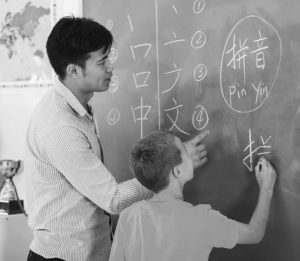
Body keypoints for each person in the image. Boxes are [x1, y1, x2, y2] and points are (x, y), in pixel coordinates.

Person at [24, 17, 209, 261]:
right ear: (74, 70)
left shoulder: (76, 106)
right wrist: (168, 168)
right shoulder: (60, 127)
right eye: (102, 62)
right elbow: (112, 200)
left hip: (90, 250)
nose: (111, 67)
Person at [109, 130, 277, 261]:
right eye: (184, 150)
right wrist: (266, 189)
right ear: (177, 171)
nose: (190, 152)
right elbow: (255, 234)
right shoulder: (201, 219)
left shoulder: (128, 216)